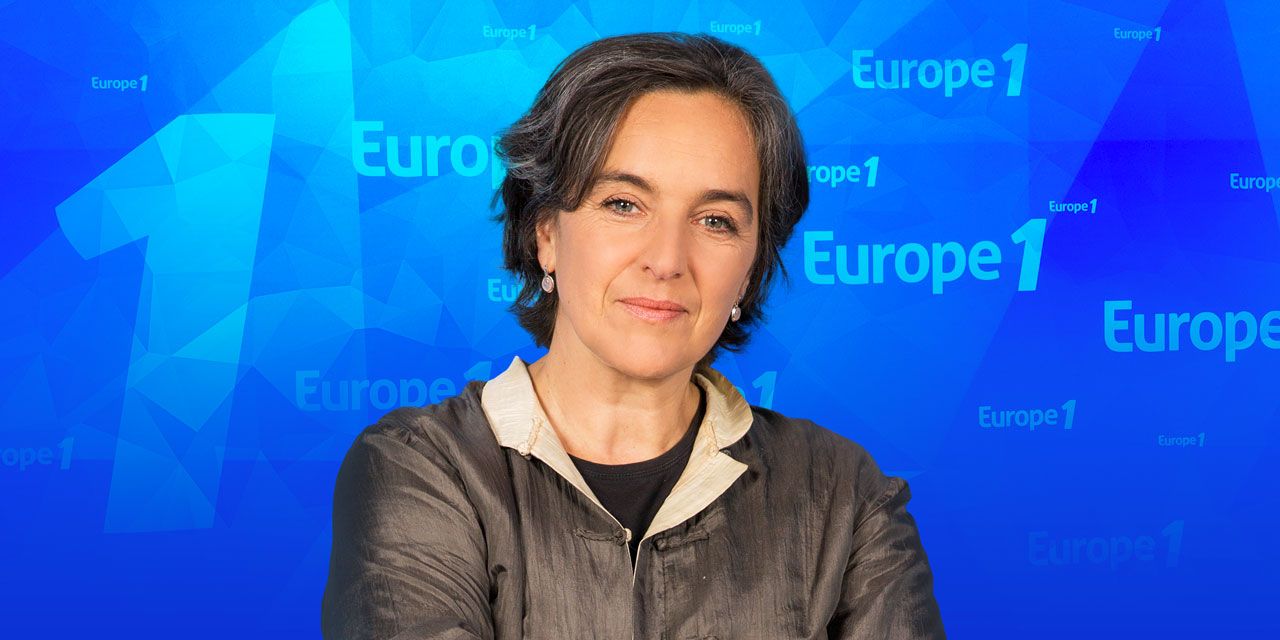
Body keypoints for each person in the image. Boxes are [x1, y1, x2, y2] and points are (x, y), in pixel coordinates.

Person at [322, 32, 945, 639]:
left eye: (715, 220)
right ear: (545, 232)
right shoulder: (420, 469)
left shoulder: (844, 496)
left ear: (752, 266)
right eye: (623, 204)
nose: (666, 259)